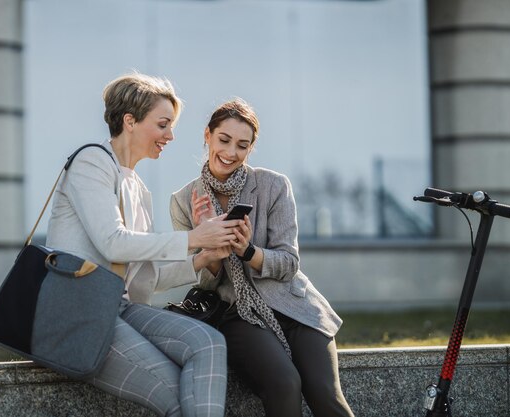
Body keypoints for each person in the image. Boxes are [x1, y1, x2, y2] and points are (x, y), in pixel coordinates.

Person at [43, 73, 241, 417]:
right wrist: (194, 238)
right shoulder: (91, 163)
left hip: (117, 307)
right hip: (80, 313)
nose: (171, 135)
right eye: (163, 124)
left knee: (208, 341)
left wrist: (204, 255)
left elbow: (144, 276)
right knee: (182, 400)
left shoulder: (137, 188)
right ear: (130, 121)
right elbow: (113, 244)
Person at [170, 98, 355, 417]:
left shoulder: (274, 186)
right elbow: (202, 279)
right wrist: (207, 244)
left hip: (295, 306)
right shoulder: (184, 201)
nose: (230, 152)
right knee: (284, 384)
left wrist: (248, 252)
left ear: (251, 148)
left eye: (242, 146)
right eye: (224, 140)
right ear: (207, 135)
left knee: (325, 394)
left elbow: (288, 264)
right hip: (237, 312)